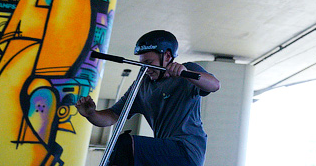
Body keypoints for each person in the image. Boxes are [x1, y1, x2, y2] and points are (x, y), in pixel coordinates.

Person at [76, 30, 221, 166]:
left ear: (167, 56)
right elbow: (112, 116)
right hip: (163, 154)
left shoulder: (187, 72)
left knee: (125, 145)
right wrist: (91, 113)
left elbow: (214, 85)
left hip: (186, 151)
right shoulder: (142, 87)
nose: (146, 69)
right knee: (122, 150)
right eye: (142, 64)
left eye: (149, 63)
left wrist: (186, 73)